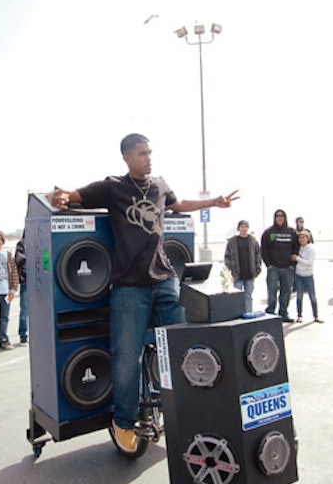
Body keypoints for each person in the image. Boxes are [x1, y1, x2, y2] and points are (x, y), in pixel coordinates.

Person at [47, 132, 239, 453]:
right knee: (126, 358)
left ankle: (187, 409)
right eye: (142, 153)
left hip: (165, 280)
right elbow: (73, 195)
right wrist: (61, 197)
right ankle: (123, 422)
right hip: (128, 288)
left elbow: (180, 204)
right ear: (126, 157)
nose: (149, 157)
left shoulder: (160, 185)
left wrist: (214, 202)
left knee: (183, 345)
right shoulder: (113, 187)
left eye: (150, 152)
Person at [261, 209, 297, 323]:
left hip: (288, 268)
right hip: (274, 268)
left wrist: (293, 265)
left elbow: (296, 248)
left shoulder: (291, 232)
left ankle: (283, 313)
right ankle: (270, 313)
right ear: (274, 218)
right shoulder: (269, 232)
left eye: (282, 216)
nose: (280, 218)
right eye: (277, 216)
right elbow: (264, 249)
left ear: (285, 218)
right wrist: (268, 264)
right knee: (272, 292)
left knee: (286, 292)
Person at [224, 220, 262, 313]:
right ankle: (237, 315)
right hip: (237, 275)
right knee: (237, 297)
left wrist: (257, 270)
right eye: (242, 227)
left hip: (250, 274)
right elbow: (227, 257)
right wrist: (231, 272)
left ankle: (248, 315)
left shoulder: (253, 240)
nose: (244, 229)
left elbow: (258, 255)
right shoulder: (232, 241)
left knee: (248, 296)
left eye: (246, 227)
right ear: (238, 228)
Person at [291, 230, 323, 323]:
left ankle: (316, 315)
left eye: (304, 237)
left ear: (308, 238)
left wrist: (297, 258)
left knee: (312, 296)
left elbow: (309, 262)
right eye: (300, 238)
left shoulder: (311, 249)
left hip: (308, 275)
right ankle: (299, 315)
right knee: (299, 296)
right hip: (298, 275)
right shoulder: (298, 248)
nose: (302, 239)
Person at [15, 232, 28, 346]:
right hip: (27, 281)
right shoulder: (22, 244)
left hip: (42, 282)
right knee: (24, 310)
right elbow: (19, 261)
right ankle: (23, 335)